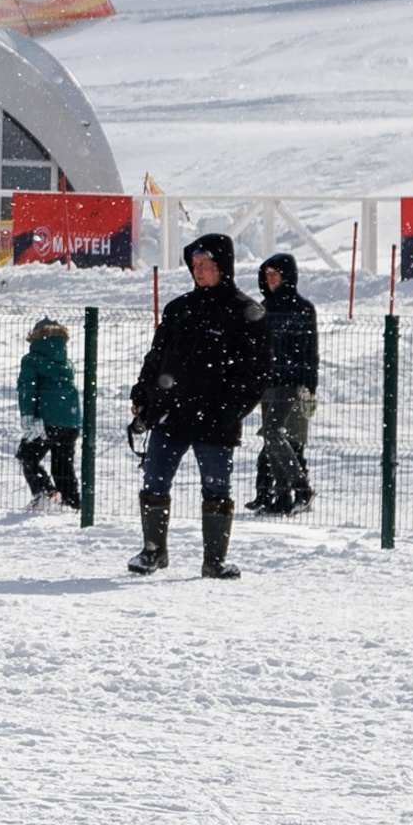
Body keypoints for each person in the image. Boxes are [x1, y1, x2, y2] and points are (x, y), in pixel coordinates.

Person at [126, 232, 264, 579]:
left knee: (216, 489)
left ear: (224, 267)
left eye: (205, 265)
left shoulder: (248, 314)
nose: (198, 271)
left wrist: (229, 411)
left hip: (216, 421)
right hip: (171, 414)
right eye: (195, 266)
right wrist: (143, 396)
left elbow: (254, 375)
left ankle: (214, 561)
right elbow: (156, 358)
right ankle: (153, 552)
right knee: (154, 482)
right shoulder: (179, 309)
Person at [248, 252, 320, 516]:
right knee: (272, 437)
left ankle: (302, 487)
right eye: (266, 275)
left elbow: (310, 349)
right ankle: (279, 496)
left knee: (273, 433)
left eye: (275, 274)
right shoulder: (263, 307)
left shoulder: (302, 308)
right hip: (268, 382)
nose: (270, 280)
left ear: (287, 276)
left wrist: (309, 381)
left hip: (291, 383)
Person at [15, 315, 83, 509]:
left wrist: (29, 414)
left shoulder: (32, 360)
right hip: (70, 419)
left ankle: (45, 492)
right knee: (62, 464)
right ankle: (72, 504)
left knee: (27, 455)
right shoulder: (66, 362)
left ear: (35, 337)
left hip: (47, 419)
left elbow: (28, 387)